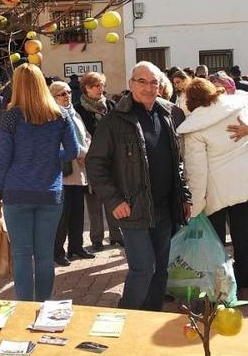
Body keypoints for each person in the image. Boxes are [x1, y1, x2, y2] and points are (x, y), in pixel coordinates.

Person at [86, 61, 191, 311]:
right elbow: (95, 164)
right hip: (132, 208)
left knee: (161, 271)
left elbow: (178, 162)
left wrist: (184, 196)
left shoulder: (170, 114)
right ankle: (126, 317)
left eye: (154, 82)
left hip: (165, 207)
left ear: (161, 85)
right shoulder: (114, 119)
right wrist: (113, 200)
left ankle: (150, 319)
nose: (148, 87)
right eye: (142, 81)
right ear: (131, 84)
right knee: (144, 268)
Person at [178, 76, 248, 301]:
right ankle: (245, 278)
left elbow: (197, 172)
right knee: (242, 235)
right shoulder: (237, 108)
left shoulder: (195, 127)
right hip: (244, 186)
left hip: (217, 192)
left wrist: (196, 206)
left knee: (216, 240)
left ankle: (221, 283)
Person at [0, 64, 79, 301]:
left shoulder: (10, 117)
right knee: (44, 254)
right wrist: (51, 158)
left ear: (17, 85)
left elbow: (2, 159)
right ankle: (43, 305)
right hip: (49, 192)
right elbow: (73, 150)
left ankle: (24, 308)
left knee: (21, 254)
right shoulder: (59, 115)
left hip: (16, 191)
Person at [73, 72, 123, 251]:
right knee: (93, 201)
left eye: (102, 85)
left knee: (113, 197)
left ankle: (117, 235)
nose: (100, 89)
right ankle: (96, 238)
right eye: (95, 86)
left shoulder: (110, 105)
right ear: (86, 88)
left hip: (112, 160)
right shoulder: (78, 109)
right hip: (91, 161)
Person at [49, 82, 93, 266]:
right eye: (61, 94)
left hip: (79, 169)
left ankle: (76, 246)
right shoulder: (53, 115)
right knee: (62, 215)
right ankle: (57, 251)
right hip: (65, 171)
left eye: (68, 92)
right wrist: (80, 153)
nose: (67, 96)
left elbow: (87, 136)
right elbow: (57, 142)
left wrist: (86, 152)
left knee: (77, 212)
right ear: (53, 97)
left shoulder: (74, 113)